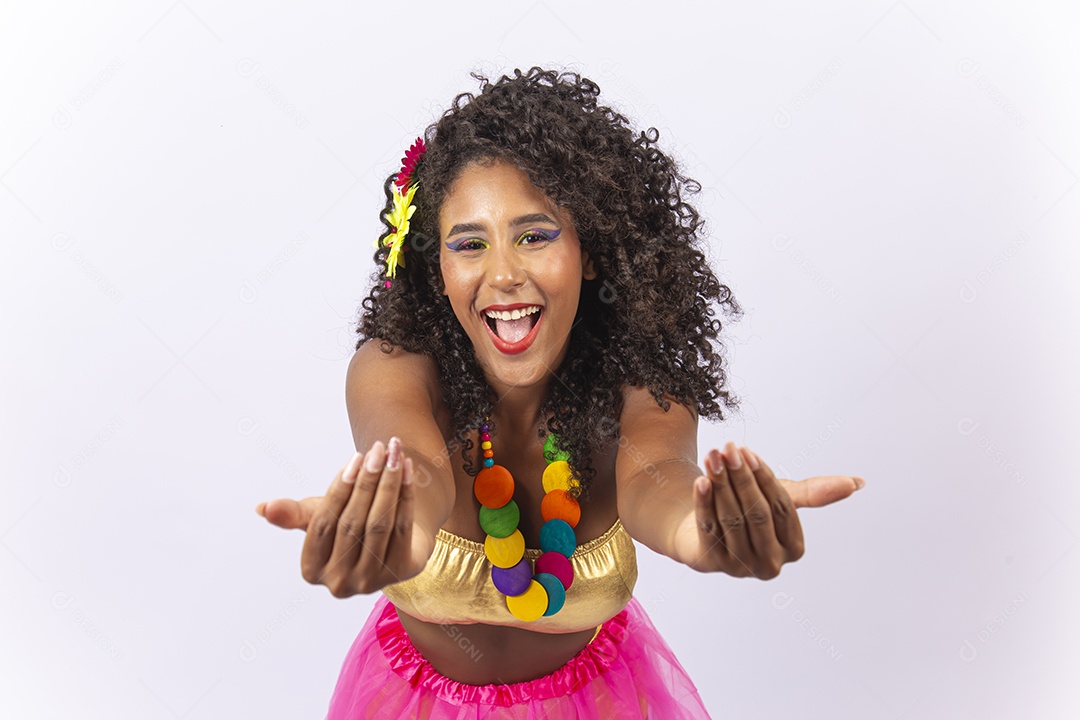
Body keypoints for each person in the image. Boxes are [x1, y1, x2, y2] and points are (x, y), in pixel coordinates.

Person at [255, 66, 865, 718]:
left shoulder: (641, 383)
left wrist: (700, 531)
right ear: (437, 270)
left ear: (591, 250)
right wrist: (397, 536)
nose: (503, 274)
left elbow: (658, 475)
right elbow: (415, 472)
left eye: (534, 236)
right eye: (470, 245)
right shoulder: (395, 369)